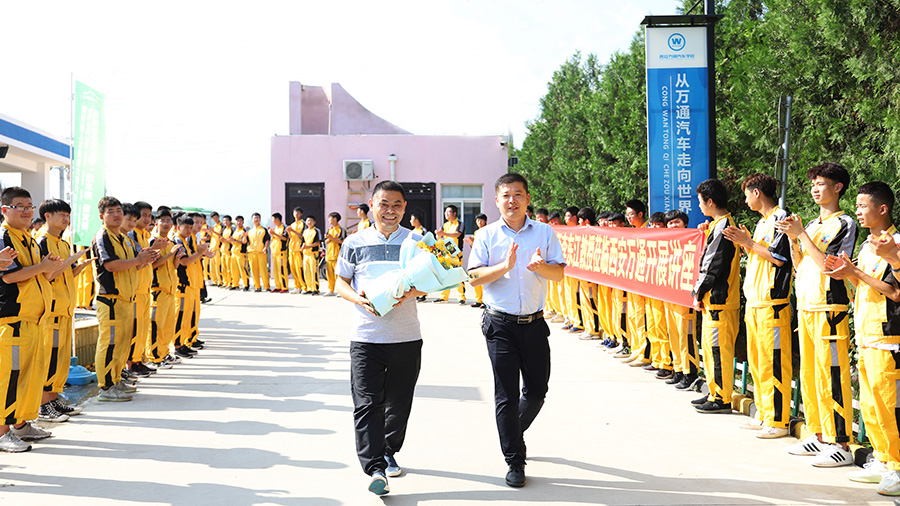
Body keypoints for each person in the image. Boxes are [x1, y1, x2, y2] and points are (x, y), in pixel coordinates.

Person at [469, 173, 565, 488]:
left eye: (518, 194)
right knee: (506, 396)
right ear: (497, 200)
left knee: (537, 391)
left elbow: (559, 274)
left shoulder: (545, 232)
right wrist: (504, 268)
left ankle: (512, 431)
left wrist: (541, 267)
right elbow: (475, 279)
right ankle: (515, 460)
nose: (512, 201)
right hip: (500, 324)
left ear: (527, 198)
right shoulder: (485, 236)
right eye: (506, 195)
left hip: (535, 324)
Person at [335, 180, 426, 496]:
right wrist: (358, 300)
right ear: (372, 205)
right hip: (366, 337)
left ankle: (389, 450)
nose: (390, 210)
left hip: (405, 336)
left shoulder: (416, 242)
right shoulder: (354, 242)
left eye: (397, 204)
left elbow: (430, 281)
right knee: (367, 403)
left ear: (404, 208)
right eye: (384, 203)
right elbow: (341, 283)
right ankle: (375, 467)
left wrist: (412, 292)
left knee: (399, 403)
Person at [776, 162, 857, 467]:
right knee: (809, 375)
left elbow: (830, 266)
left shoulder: (845, 223)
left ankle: (841, 443)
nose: (814, 188)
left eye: (821, 183)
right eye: (812, 183)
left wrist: (803, 237)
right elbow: (801, 266)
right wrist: (794, 239)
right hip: (806, 306)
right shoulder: (810, 225)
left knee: (832, 375)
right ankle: (819, 434)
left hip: (829, 308)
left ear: (838, 187)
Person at [825, 182, 900, 494]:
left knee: (890, 407)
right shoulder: (870, 246)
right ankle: (883, 461)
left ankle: (897, 466)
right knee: (871, 407)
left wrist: (855, 274)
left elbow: (895, 292)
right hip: (868, 336)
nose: (857, 211)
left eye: (862, 206)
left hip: (888, 338)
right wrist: (850, 274)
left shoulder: (895, 244)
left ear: (882, 209)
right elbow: (869, 289)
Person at [723, 174, 793, 438]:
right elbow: (760, 254)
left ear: (757, 193)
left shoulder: (780, 218)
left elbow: (778, 258)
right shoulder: (763, 222)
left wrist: (748, 242)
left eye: (746, 194)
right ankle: (764, 413)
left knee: (773, 362)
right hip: (755, 302)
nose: (744, 200)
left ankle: (778, 420)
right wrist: (746, 243)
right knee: (758, 361)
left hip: (772, 303)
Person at [0, 188, 62, 450]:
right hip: (13, 320)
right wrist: (42, 268)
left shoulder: (28, 239)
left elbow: (35, 276)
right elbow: (8, 277)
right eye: (19, 206)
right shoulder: (4, 237)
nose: (26, 211)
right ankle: (3, 433)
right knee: (9, 378)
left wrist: (49, 268)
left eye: (29, 205)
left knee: (29, 377)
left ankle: (21, 425)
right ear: (5, 210)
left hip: (34, 320)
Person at [93, 196, 158, 402]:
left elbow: (133, 265)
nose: (116, 215)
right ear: (102, 216)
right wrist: (138, 260)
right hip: (111, 299)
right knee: (110, 344)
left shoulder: (123, 238)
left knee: (121, 344)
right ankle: (106, 387)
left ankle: (116, 378)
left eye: (118, 210)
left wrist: (145, 259)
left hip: (125, 299)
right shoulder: (103, 236)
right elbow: (110, 265)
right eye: (111, 211)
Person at [36, 199, 91, 421]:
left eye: (67, 215)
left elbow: (62, 276)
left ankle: (53, 399)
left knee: (59, 360)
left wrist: (77, 267)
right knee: (48, 358)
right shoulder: (42, 241)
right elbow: (46, 277)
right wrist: (69, 263)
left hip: (64, 310)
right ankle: (43, 405)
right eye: (61, 215)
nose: (66, 219)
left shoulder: (62, 243)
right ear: (47, 216)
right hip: (51, 311)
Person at [690, 179, 740, 414]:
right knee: (710, 349)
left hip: (721, 299)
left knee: (719, 350)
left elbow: (712, 266)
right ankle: (714, 391)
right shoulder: (717, 225)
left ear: (710, 201)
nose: (699, 206)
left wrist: (698, 291)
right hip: (714, 300)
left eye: (700, 201)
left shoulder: (724, 228)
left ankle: (722, 397)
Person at [662, 210, 700, 389]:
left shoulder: (693, 240)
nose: (673, 226)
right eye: (669, 223)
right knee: (673, 333)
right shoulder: (665, 244)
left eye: (676, 222)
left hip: (685, 297)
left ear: (685, 223)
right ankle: (678, 369)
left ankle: (690, 372)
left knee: (686, 335)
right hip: (669, 295)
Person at [148, 208, 183, 368]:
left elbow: (173, 266)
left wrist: (177, 257)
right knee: (156, 325)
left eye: (169, 221)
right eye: (163, 220)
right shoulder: (153, 242)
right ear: (156, 223)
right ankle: (154, 356)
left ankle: (163, 353)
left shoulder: (171, 243)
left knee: (167, 325)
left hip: (170, 289)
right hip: (157, 289)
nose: (166, 224)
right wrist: (169, 255)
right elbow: (152, 265)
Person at [435, 205, 467, 304]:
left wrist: (443, 234)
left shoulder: (460, 223)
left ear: (454, 213)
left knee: (458, 275)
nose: (446, 214)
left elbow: (457, 234)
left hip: (455, 251)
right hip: (447, 250)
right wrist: (438, 234)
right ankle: (443, 296)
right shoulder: (445, 225)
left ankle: (461, 297)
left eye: (448, 212)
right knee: (445, 275)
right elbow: (439, 237)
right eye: (445, 212)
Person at [464, 213, 488, 308]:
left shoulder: (487, 231)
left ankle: (485, 301)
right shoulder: (476, 232)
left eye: (481, 220)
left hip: (485, 257)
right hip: (476, 257)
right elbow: (474, 246)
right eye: (478, 220)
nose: (479, 222)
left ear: (485, 221)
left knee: (484, 280)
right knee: (476, 278)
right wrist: (471, 242)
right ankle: (479, 299)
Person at [323, 212, 346, 297]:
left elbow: (341, 241)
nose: (329, 220)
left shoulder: (341, 229)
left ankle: (340, 291)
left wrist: (331, 238)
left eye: (330, 218)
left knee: (338, 274)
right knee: (329, 274)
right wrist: (329, 239)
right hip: (329, 254)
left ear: (335, 219)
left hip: (338, 254)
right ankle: (331, 290)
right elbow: (326, 241)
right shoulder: (329, 229)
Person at [247, 212, 271, 292]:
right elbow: (246, 241)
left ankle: (267, 286)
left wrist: (265, 248)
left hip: (261, 252)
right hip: (252, 253)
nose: (256, 219)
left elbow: (267, 240)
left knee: (263, 270)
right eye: (254, 218)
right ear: (252, 220)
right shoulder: (249, 231)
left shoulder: (263, 230)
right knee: (254, 271)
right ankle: (257, 286)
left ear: (260, 219)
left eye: (257, 218)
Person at [287, 207, 307, 294]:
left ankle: (304, 287)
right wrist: (289, 232)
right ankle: (297, 286)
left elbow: (303, 236)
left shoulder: (303, 224)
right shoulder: (292, 224)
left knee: (299, 268)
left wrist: (293, 231)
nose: (296, 214)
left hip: (299, 249)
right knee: (293, 268)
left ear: (301, 214)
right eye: (295, 212)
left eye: (298, 213)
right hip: (292, 249)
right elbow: (291, 237)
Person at [301, 215, 323, 295]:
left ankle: (315, 288)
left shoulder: (316, 231)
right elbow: (303, 241)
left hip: (313, 254)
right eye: (308, 221)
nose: (309, 222)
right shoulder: (305, 231)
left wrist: (308, 246)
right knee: (306, 272)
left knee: (314, 271)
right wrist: (303, 247)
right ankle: (309, 288)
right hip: (305, 254)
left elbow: (318, 242)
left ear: (314, 222)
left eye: (311, 221)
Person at [269, 213, 289, 293]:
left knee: (282, 269)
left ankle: (284, 286)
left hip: (281, 252)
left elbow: (284, 238)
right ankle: (278, 286)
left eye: (273, 219)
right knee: (276, 270)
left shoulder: (284, 227)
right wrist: (272, 235)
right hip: (275, 252)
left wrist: (274, 234)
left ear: (277, 219)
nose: (272, 221)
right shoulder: (276, 228)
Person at [229, 215, 249, 291]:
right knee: (234, 270)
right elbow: (233, 241)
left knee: (243, 269)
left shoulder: (244, 231)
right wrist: (231, 240)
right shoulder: (235, 231)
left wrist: (234, 240)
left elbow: (244, 241)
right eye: (237, 221)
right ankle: (235, 284)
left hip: (241, 253)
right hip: (234, 252)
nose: (239, 222)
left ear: (243, 222)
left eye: (240, 221)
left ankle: (246, 285)